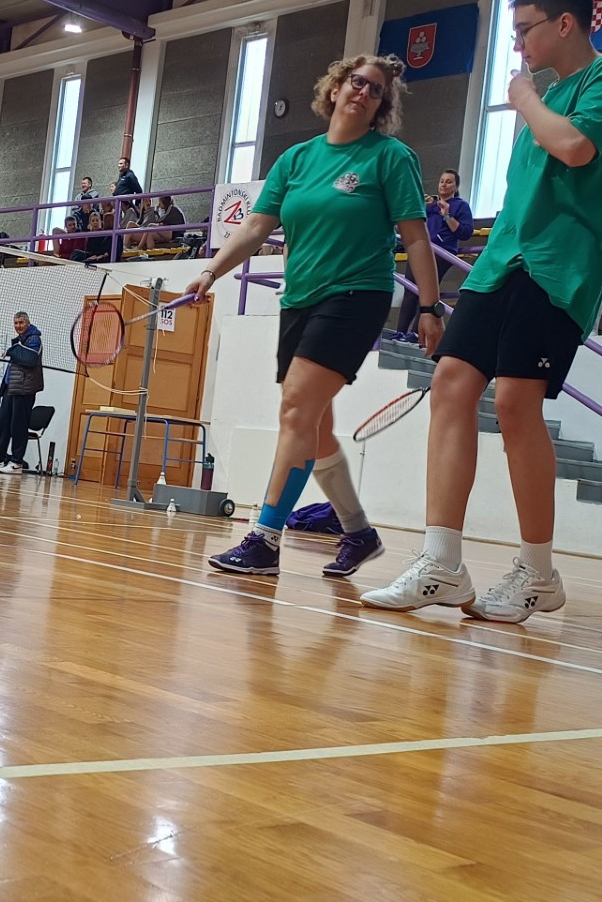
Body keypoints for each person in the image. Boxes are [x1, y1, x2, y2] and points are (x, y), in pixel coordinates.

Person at [362, 0, 602, 620]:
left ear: (564, 23)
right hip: (501, 262)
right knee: (452, 383)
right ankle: (442, 564)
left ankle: (538, 573)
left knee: (515, 401)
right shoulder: (544, 97)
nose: (518, 44)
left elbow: (575, 147)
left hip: (559, 266)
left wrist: (524, 100)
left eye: (525, 30)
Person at [183, 52, 438, 578]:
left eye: (375, 90)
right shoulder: (297, 159)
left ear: (381, 106)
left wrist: (431, 307)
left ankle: (264, 538)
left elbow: (416, 237)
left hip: (356, 295)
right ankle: (358, 533)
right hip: (299, 299)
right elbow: (255, 227)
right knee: (315, 426)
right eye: (357, 82)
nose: (364, 92)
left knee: (297, 410)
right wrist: (211, 272)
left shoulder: (390, 158)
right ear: (336, 87)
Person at [398, 169, 473, 336]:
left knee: (427, 291)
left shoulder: (461, 206)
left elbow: (465, 233)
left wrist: (447, 215)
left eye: (448, 182)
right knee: (410, 290)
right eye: (441, 181)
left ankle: (416, 333)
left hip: (442, 252)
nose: (444, 185)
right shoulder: (429, 205)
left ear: (456, 186)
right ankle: (400, 332)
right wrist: (420, 207)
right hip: (421, 249)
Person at [0, 312, 44, 473]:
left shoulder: (34, 339)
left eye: (21, 323)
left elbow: (30, 359)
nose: (18, 326)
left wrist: (12, 351)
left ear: (28, 323)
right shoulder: (19, 341)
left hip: (24, 390)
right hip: (10, 388)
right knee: (1, 424)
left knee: (18, 426)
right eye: (16, 323)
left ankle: (16, 462)